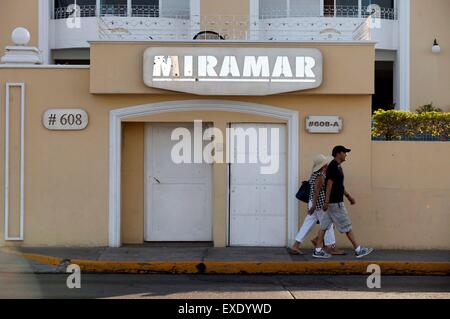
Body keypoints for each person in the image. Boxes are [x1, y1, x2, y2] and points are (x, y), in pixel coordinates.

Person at [312, 146, 374, 259]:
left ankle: (317, 250)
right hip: (335, 203)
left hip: (332, 203)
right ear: (338, 154)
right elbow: (329, 184)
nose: (346, 154)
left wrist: (348, 196)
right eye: (344, 152)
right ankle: (358, 249)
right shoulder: (333, 167)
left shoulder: (338, 166)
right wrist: (326, 201)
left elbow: (339, 186)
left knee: (324, 226)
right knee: (347, 226)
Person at [289, 154, 344, 255]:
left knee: (308, 224)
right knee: (328, 224)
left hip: (314, 204)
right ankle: (329, 247)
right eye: (326, 164)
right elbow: (316, 192)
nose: (327, 164)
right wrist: (314, 206)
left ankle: (296, 245)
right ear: (323, 166)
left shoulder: (315, 174)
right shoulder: (320, 176)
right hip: (318, 204)